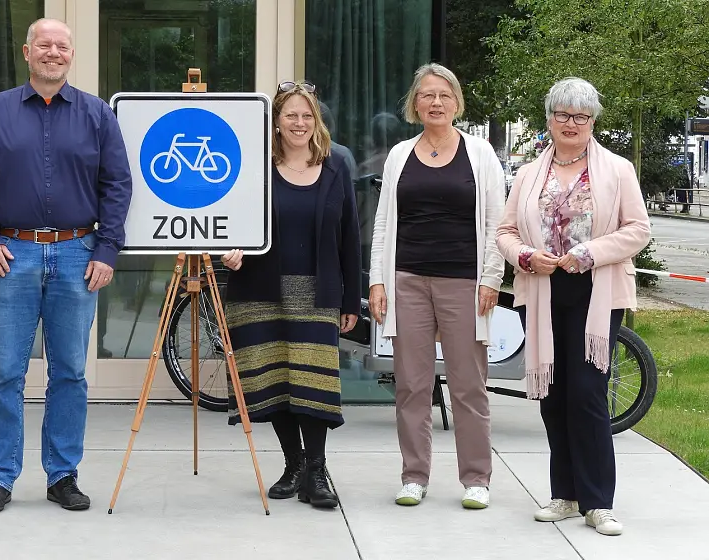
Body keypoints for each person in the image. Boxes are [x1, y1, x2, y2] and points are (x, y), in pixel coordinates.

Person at [0, 18, 132, 514]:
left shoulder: (97, 114)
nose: (53, 52)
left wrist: (107, 249)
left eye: (62, 46)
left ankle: (62, 475)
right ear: (27, 52)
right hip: (12, 254)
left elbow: (117, 184)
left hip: (78, 254)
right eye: (44, 45)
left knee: (70, 372)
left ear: (71, 55)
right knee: (5, 372)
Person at [496, 77, 650, 536]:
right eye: (562, 114)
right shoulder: (529, 174)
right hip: (542, 292)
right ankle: (564, 494)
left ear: (593, 122)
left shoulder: (617, 170)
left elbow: (637, 229)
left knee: (586, 393)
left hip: (596, 293)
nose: (571, 123)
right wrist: (526, 256)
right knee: (554, 395)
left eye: (581, 116)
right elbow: (505, 232)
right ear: (549, 119)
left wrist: (589, 253)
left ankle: (598, 502)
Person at [368, 63, 505, 509]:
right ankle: (414, 477)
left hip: (464, 282)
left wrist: (491, 278)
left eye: (444, 95)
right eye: (427, 95)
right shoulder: (399, 155)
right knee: (411, 384)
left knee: (469, 384)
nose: (436, 102)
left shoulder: (480, 153)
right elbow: (383, 224)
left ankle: (476, 479)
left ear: (456, 102)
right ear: (415, 103)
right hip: (407, 280)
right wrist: (377, 280)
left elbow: (498, 224)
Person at [220, 80, 361, 509]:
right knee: (274, 382)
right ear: (276, 122)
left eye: (306, 115)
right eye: (290, 115)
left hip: (315, 292)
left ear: (316, 121)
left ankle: (317, 471)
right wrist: (229, 251)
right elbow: (232, 220)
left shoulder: (336, 167)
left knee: (312, 384)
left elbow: (349, 237)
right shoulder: (254, 167)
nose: (299, 123)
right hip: (259, 288)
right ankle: (293, 464)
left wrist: (350, 299)